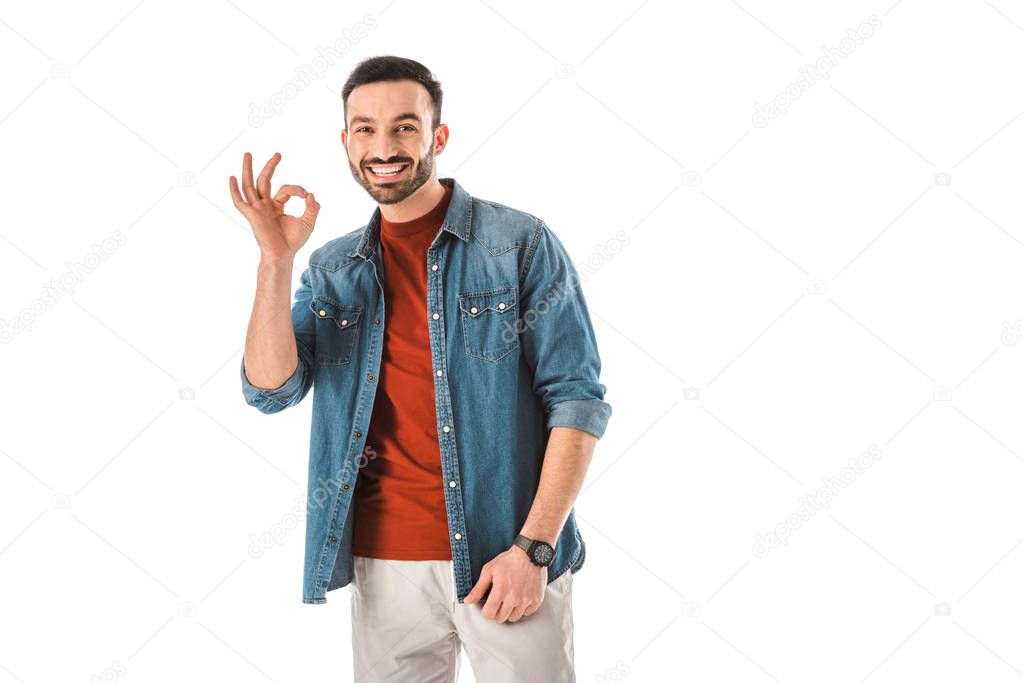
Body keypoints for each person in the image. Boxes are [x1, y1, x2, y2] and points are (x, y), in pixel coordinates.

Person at [231, 55, 611, 682]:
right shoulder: (332, 267)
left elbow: (577, 401)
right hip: (383, 567)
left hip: (506, 558)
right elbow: (271, 389)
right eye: (364, 129)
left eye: (405, 127)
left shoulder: (517, 244)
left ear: (438, 136)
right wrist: (275, 260)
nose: (384, 146)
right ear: (346, 141)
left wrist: (534, 548)